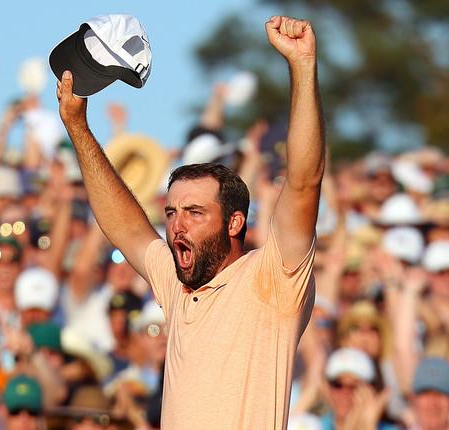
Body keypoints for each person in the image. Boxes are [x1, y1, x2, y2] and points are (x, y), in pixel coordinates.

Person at [56, 15, 324, 429]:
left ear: (235, 223)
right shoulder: (179, 284)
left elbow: (304, 183)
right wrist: (78, 128)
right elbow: (125, 227)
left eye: (195, 212)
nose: (177, 225)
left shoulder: (274, 279)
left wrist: (302, 66)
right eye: (171, 212)